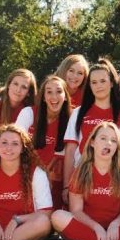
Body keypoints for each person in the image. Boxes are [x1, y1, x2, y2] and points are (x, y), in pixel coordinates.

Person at [52, 122, 120, 240]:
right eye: (103, 138)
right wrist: (96, 227)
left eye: (113, 140)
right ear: (92, 142)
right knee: (57, 216)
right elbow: (76, 211)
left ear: (117, 147)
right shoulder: (80, 172)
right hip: (88, 227)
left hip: (116, 229)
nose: (108, 143)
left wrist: (115, 224)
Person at [63, 58, 120, 203]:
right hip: (82, 180)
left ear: (111, 83)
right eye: (94, 82)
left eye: (103, 81)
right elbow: (70, 151)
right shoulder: (78, 113)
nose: (99, 86)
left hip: (111, 183)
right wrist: (66, 185)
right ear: (89, 86)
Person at [16, 75, 72, 210]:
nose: (54, 97)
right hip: (26, 176)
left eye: (59, 91)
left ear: (65, 96)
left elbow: (68, 157)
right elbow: (16, 146)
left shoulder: (71, 119)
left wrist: (66, 187)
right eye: (49, 92)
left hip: (54, 181)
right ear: (43, 96)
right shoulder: (29, 113)